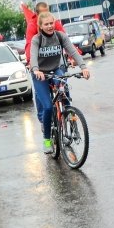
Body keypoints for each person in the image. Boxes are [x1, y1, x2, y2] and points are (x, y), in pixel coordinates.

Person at [29, 11, 90, 153]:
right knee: (48, 107)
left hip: (56, 70)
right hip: (40, 74)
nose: (50, 26)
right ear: (41, 26)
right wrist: (36, 69)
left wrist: (83, 67)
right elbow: (32, 56)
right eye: (46, 24)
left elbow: (73, 51)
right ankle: (47, 140)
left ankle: (71, 125)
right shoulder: (37, 39)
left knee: (65, 96)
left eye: (52, 23)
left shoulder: (60, 36)